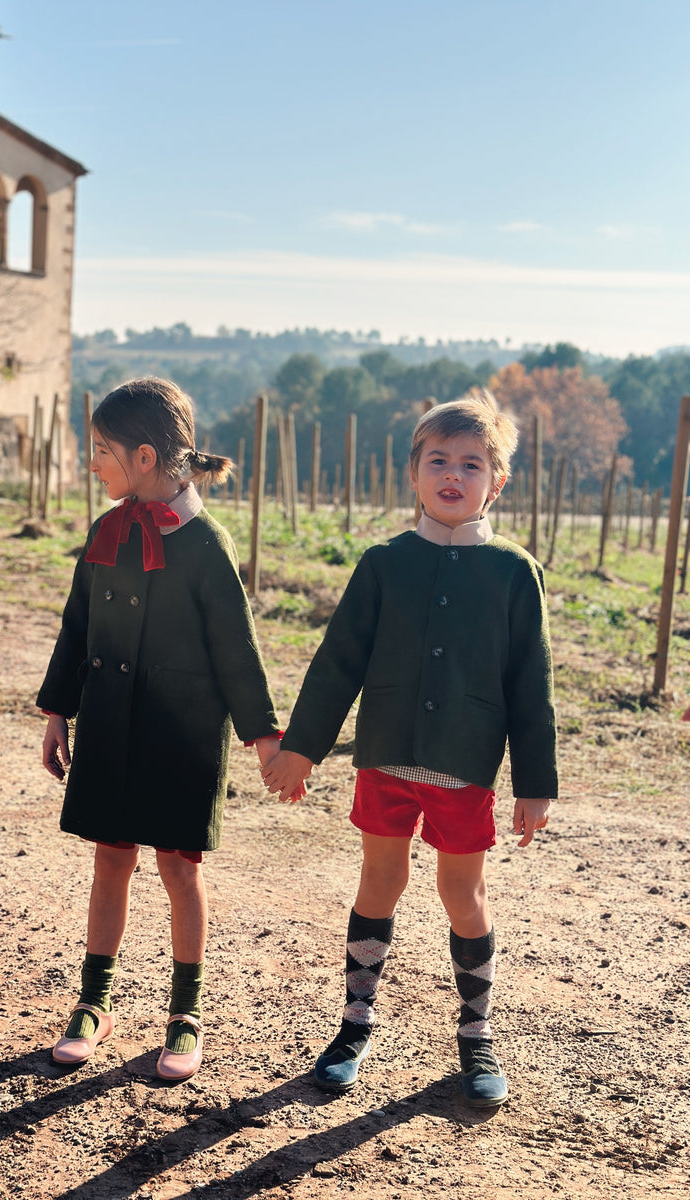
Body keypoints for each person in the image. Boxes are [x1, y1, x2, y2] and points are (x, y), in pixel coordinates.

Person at [262, 390, 557, 1107]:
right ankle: (355, 1023)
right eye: (438, 460)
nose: (452, 475)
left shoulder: (515, 573)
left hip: (467, 768)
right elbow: (338, 663)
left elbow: (532, 684)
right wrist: (302, 748)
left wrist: (535, 783)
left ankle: (477, 1034)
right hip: (386, 757)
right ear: (414, 472)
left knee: (463, 894)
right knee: (379, 883)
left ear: (498, 481)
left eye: (471, 464)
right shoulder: (383, 563)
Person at [38, 377, 283, 1082]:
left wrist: (263, 735)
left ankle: (185, 1013)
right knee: (110, 861)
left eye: (101, 452)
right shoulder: (105, 531)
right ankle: (94, 1002)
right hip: (112, 729)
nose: (93, 465)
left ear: (144, 457)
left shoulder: (205, 543)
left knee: (179, 869)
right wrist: (58, 711)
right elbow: (76, 626)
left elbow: (238, 647)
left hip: (182, 737)